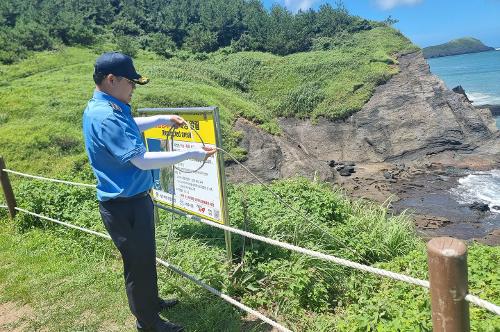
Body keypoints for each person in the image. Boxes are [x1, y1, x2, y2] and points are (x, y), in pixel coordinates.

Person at [82, 52, 216, 332]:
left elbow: (129, 128)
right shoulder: (106, 116)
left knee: (145, 257)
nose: (133, 89)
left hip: (134, 201)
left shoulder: (109, 108)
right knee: (137, 264)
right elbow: (141, 160)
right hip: (124, 205)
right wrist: (189, 153)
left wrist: (161, 119)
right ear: (111, 79)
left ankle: (150, 303)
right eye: (131, 83)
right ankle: (149, 322)